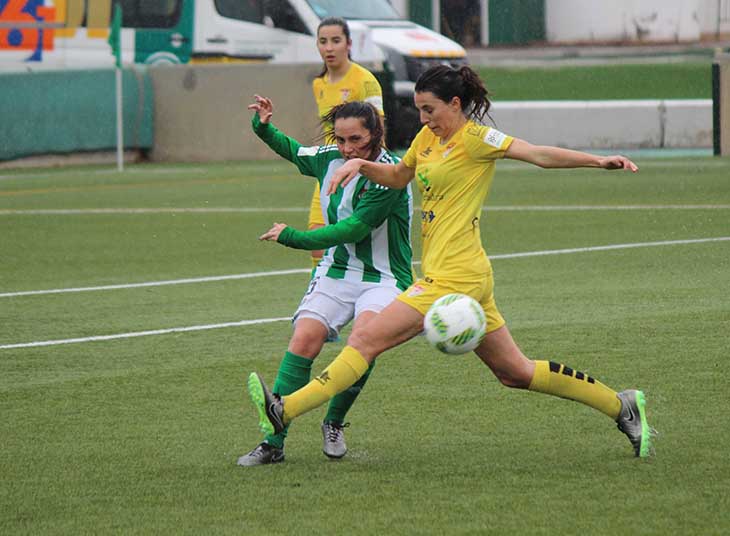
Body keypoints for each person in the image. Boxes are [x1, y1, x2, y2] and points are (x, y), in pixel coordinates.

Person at [247, 65, 656, 459]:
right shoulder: (426, 139)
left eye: (430, 109)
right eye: (420, 109)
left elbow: (538, 154)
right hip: (455, 275)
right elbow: (396, 178)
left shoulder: (478, 139)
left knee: (364, 341)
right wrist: (360, 163)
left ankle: (285, 409)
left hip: (456, 277)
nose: (423, 118)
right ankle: (620, 405)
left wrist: (597, 160)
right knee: (515, 372)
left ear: (455, 103)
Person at [237, 96, 413, 466]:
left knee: (364, 342)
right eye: (341, 139)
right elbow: (294, 150)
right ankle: (274, 442)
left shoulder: (391, 175)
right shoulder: (329, 157)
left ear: (376, 135)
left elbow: (353, 228)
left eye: (357, 141)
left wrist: (293, 237)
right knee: (304, 339)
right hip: (335, 272)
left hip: (383, 278)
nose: (348, 149)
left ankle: (333, 422)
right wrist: (263, 126)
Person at [306, 17, 385, 269]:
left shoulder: (365, 80)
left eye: (336, 41)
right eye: (323, 41)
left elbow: (379, 130)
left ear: (349, 44)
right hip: (330, 170)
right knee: (317, 243)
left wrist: (373, 171)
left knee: (371, 245)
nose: (329, 48)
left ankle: (399, 295)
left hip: (359, 169)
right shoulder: (318, 84)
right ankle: (319, 297)